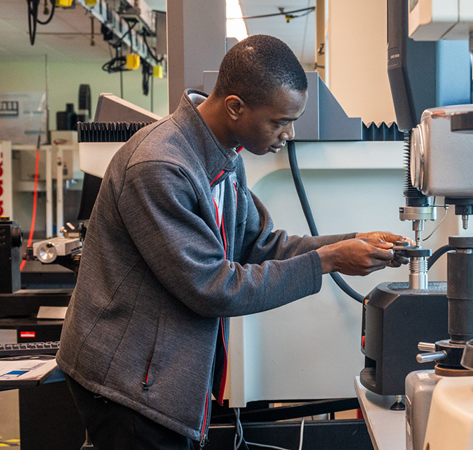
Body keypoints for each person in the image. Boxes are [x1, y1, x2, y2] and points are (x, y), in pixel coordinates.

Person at [56, 34, 407, 449]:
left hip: (158, 375)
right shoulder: (160, 167)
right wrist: (327, 260)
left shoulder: (225, 157)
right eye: (279, 122)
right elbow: (212, 287)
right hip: (127, 386)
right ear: (235, 107)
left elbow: (261, 245)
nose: (288, 134)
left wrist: (351, 242)